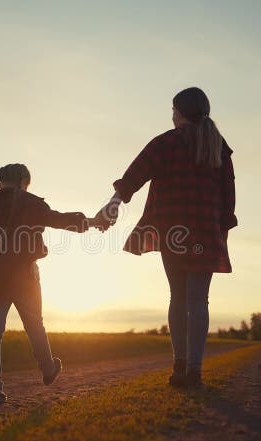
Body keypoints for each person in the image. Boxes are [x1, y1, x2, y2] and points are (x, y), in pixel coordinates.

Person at [93, 87, 237, 388]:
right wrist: (220, 232)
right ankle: (195, 371)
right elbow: (228, 196)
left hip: (172, 231)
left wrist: (112, 206)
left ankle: (180, 366)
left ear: (178, 112)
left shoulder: (167, 142)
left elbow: (134, 175)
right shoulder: (219, 147)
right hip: (205, 233)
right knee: (199, 300)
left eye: (173, 110)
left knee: (178, 296)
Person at [0, 163, 90, 404]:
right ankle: (48, 369)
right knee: (35, 325)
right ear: (24, 181)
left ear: (1, 181)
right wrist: (87, 221)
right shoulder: (33, 203)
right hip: (25, 276)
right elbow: (58, 220)